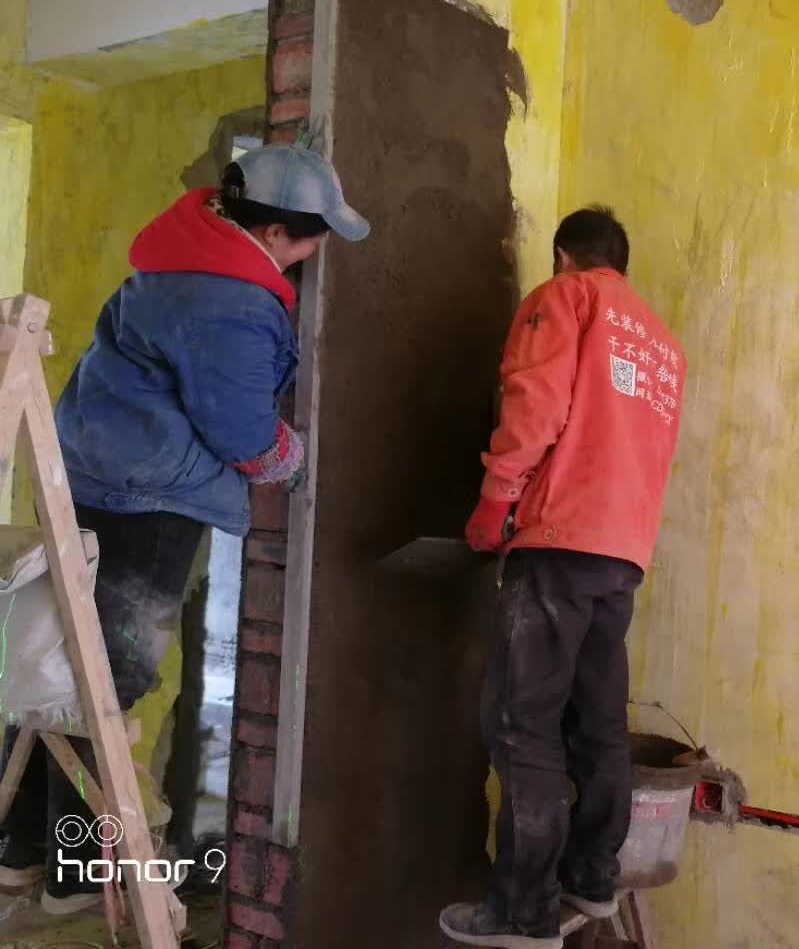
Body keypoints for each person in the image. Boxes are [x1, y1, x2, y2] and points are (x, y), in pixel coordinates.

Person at [0, 144, 369, 915]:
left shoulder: (172, 257)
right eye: (313, 239)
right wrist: (298, 462)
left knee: (58, 668)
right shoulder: (234, 299)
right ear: (275, 233)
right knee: (106, 682)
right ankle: (74, 873)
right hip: (153, 498)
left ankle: (20, 850)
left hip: (91, 477)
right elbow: (244, 434)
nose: (314, 255)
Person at [440, 207, 686, 949]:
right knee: (598, 720)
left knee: (523, 725)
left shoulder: (566, 298)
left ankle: (523, 910)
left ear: (562, 256)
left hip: (559, 541)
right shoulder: (661, 343)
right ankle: (592, 876)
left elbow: (535, 406)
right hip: (623, 553)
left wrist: (496, 500)